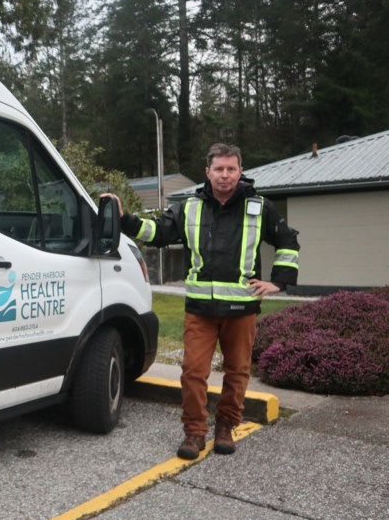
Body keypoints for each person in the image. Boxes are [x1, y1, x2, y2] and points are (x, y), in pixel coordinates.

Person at [104, 143, 300, 460]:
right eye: (219, 169)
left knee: (237, 372)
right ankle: (194, 432)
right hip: (201, 312)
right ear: (207, 172)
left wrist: (278, 281)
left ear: (240, 171)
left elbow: (288, 241)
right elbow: (159, 231)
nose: (225, 175)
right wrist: (126, 219)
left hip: (242, 310)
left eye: (231, 169)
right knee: (193, 373)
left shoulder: (259, 207)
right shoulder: (189, 207)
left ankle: (225, 427)